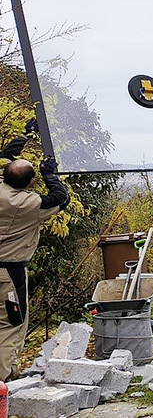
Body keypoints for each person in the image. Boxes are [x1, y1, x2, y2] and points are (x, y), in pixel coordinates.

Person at [0, 121, 69, 381]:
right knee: (10, 326)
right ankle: (3, 383)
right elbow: (60, 199)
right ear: (30, 183)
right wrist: (50, 175)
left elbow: (6, 156)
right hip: (8, 274)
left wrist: (26, 133)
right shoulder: (26, 204)